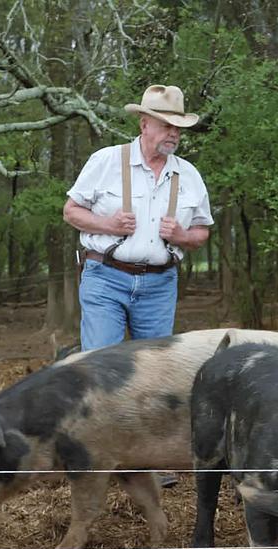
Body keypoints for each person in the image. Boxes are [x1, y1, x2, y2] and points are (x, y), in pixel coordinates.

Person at [63, 84, 212, 488]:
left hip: (159, 283)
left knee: (157, 371)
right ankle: (97, 456)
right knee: (101, 364)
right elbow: (71, 210)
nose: (174, 133)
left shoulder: (189, 175)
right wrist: (106, 224)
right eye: (166, 125)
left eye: (178, 126)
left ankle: (153, 459)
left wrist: (182, 235)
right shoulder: (107, 161)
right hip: (105, 275)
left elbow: (201, 234)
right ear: (144, 124)